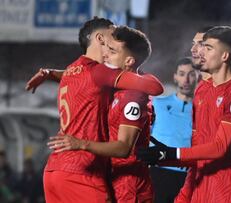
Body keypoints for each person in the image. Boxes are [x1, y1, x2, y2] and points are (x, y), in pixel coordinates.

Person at [34, 18, 163, 203]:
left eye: (113, 51)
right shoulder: (101, 76)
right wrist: (49, 73)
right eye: (108, 48)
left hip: (126, 185)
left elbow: (124, 147)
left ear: (128, 60)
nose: (108, 55)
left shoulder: (132, 95)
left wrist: (81, 143)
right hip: (89, 172)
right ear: (100, 39)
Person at [137, 26, 231, 202]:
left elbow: (220, 148)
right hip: (201, 187)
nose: (201, 52)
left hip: (230, 191)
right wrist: (161, 156)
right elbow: (198, 150)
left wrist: (170, 154)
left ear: (224, 56)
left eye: (208, 48)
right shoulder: (202, 90)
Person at [149, 57, 198, 203]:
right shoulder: (157, 104)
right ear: (175, 76)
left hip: (188, 175)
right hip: (158, 173)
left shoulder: (203, 108)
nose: (186, 80)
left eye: (191, 74)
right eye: (182, 74)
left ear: (198, 76)